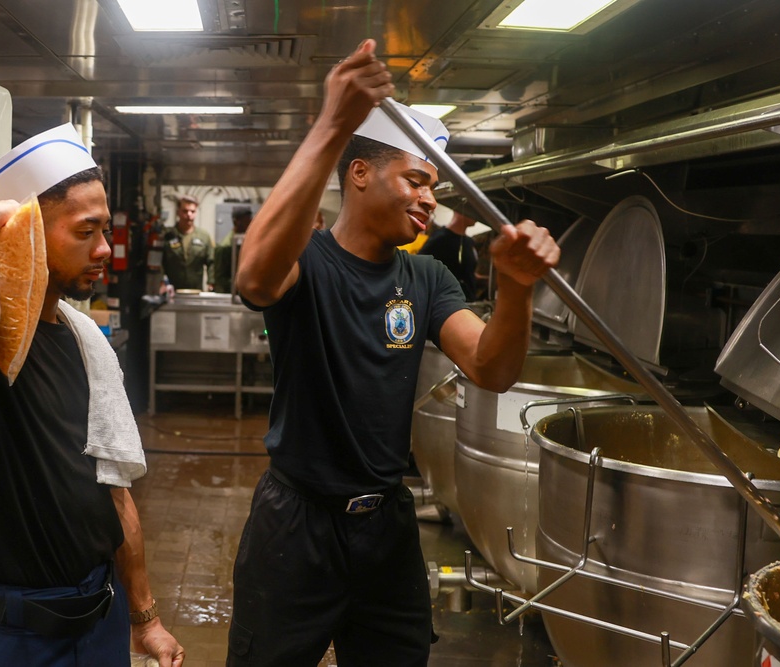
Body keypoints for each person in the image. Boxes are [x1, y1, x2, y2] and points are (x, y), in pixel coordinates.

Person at [227, 39, 560, 666]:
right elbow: (254, 280)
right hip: (296, 528)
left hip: (386, 528)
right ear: (360, 173)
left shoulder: (427, 280)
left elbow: (492, 368)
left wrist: (516, 289)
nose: (430, 199)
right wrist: (333, 122)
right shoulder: (309, 261)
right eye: (416, 179)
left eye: (433, 186)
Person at [0, 124, 185, 667]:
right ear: (26, 230)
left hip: (98, 621)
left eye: (104, 229)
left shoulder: (82, 339)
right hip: (6, 633)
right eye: (86, 232)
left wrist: (144, 617)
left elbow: (115, 489)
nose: (105, 249)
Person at [419, 209, 479, 300]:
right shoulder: (441, 239)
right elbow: (420, 270)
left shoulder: (469, 242)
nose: (477, 215)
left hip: (468, 302)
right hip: (447, 303)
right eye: (474, 210)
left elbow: (467, 274)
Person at [162, 194, 213, 290]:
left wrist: (211, 282)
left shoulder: (203, 237)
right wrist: (161, 282)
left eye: (192, 211)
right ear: (178, 212)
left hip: (196, 290)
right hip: (173, 289)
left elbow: (211, 261)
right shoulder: (168, 236)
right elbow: (160, 261)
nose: (189, 214)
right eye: (185, 211)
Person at [212, 206, 253, 294]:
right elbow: (220, 280)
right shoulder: (225, 247)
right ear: (236, 222)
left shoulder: (248, 242)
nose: (250, 225)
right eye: (247, 222)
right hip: (229, 295)